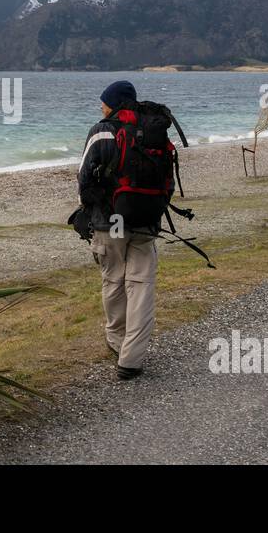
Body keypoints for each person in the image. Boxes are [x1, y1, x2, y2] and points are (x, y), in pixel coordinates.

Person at [78, 80, 158, 380]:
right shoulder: (152, 130)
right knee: (141, 286)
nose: (101, 106)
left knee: (113, 280)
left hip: (109, 222)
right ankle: (132, 358)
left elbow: (83, 176)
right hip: (146, 220)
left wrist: (89, 210)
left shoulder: (101, 130)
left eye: (104, 101)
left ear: (113, 103)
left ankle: (116, 340)